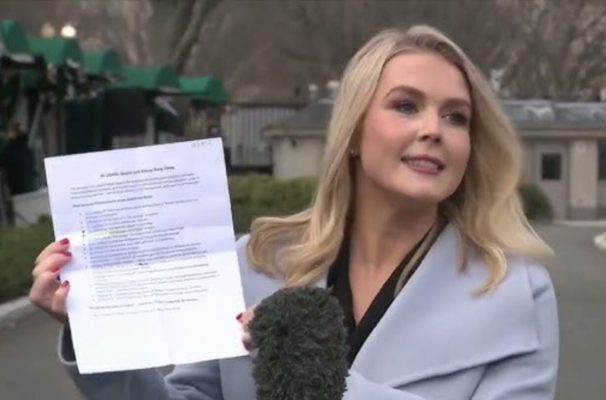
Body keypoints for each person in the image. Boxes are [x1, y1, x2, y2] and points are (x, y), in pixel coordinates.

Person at [29, 25, 559, 399]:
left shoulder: (515, 291)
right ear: (353, 132)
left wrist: (316, 377)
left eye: (457, 117)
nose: (433, 129)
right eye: (406, 105)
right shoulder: (255, 262)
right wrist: (91, 330)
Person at [0, 122, 37, 195]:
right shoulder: (26, 147)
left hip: (17, 187)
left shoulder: (10, 149)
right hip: (28, 185)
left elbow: (3, 162)